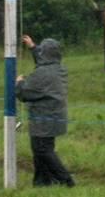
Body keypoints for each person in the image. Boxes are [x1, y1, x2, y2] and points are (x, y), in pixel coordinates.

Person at [15, 35, 75, 187]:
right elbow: (43, 63)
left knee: (42, 150)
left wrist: (19, 83)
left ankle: (66, 180)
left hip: (44, 118)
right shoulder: (58, 68)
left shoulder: (42, 74)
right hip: (55, 116)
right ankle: (42, 181)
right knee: (40, 149)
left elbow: (24, 94)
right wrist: (32, 47)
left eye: (41, 51)